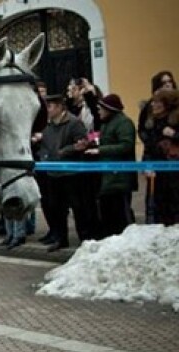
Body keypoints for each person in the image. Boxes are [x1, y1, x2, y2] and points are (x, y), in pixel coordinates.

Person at [38, 94, 92, 251]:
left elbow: (82, 144)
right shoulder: (47, 125)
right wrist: (44, 157)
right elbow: (45, 146)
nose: (47, 110)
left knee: (78, 208)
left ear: (60, 107)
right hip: (53, 173)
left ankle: (84, 238)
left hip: (71, 174)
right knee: (57, 208)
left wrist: (64, 151)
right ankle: (61, 239)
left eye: (50, 106)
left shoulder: (74, 123)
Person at [85, 94, 137, 237]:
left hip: (119, 179)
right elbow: (101, 138)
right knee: (107, 215)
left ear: (109, 109)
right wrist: (88, 142)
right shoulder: (106, 123)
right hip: (106, 179)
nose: (99, 111)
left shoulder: (124, 123)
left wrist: (100, 150)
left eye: (101, 108)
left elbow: (126, 145)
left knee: (121, 215)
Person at [140, 89, 179, 226]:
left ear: (166, 104)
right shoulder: (152, 123)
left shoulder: (175, 122)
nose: (153, 105)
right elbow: (148, 147)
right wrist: (147, 165)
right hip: (158, 174)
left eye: (157, 102)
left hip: (175, 175)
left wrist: (174, 135)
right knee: (158, 208)